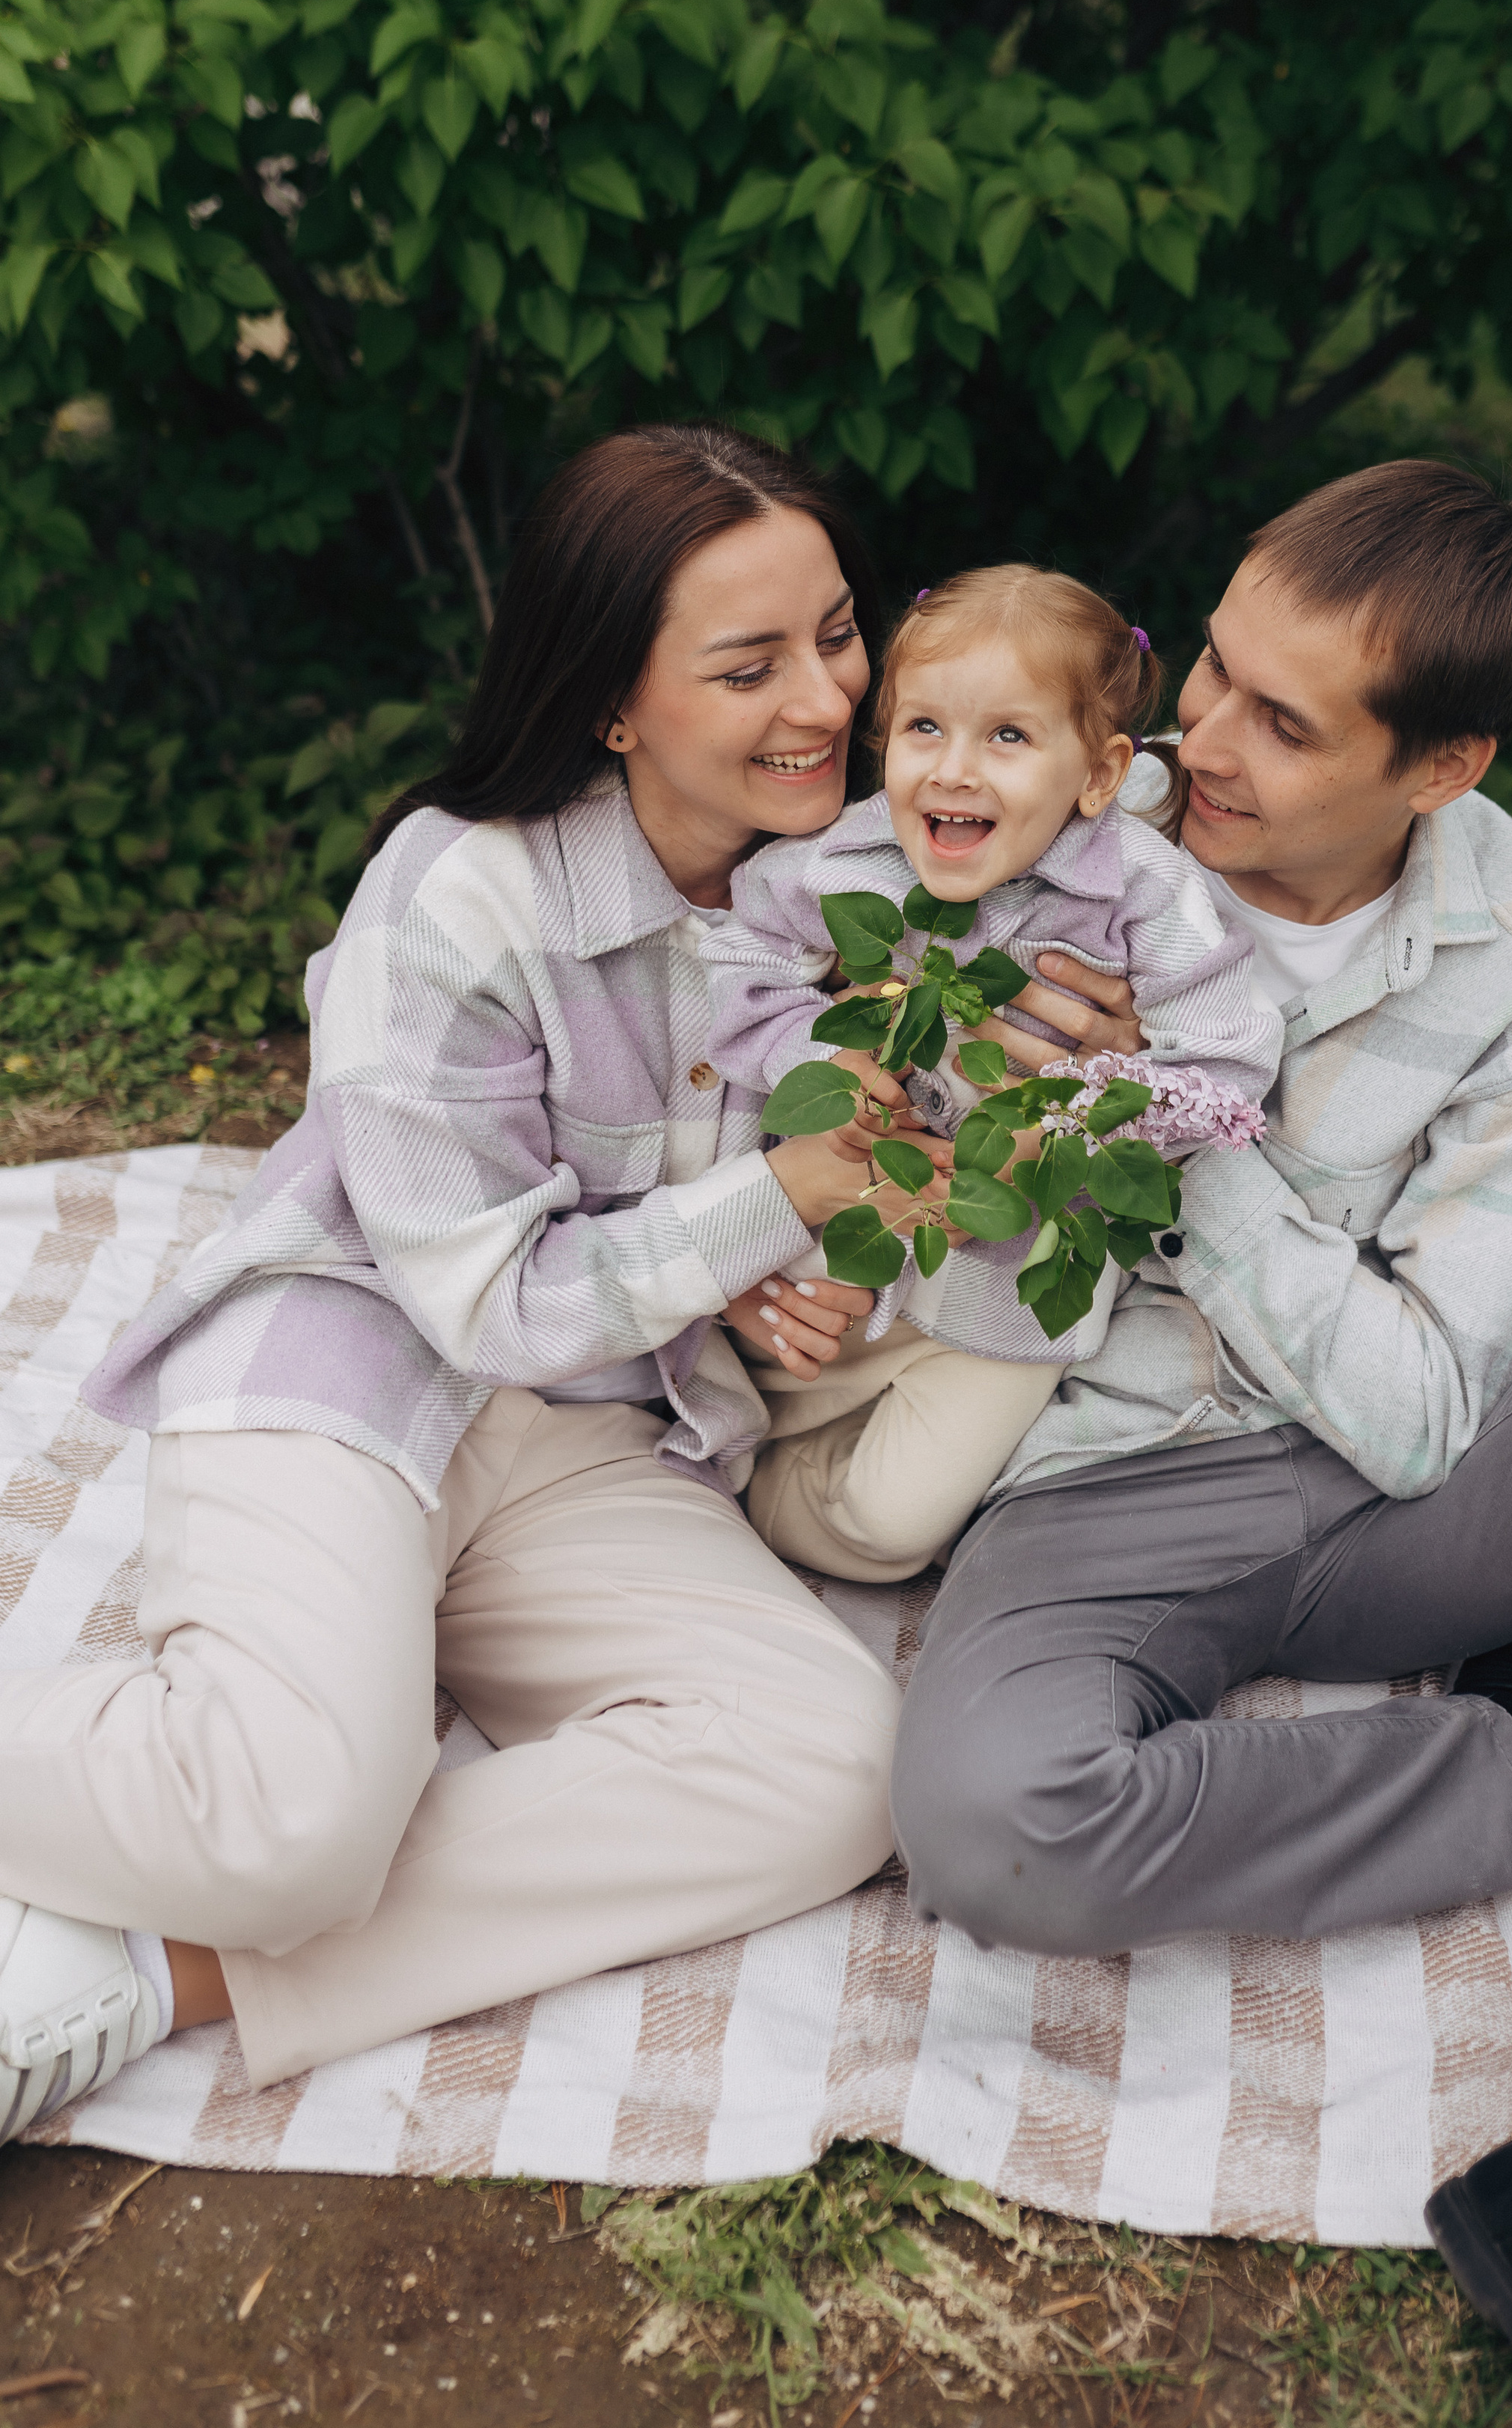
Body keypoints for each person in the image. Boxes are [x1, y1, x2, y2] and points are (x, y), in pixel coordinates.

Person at [888, 460, 1512, 2428]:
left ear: (1440, 767)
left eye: (1287, 724)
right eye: (1209, 677)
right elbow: (919, 1220)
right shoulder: (1032, 830)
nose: (1201, 745)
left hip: (1404, 1489)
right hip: (1085, 1488)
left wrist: (1182, 1135)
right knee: (990, 1827)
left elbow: (1430, 1405)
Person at [0, 424, 1140, 2148]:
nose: (824, 703)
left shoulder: (873, 886)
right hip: (361, 1368)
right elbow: (476, 1298)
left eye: (835, 638)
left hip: (610, 1434)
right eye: (745, 666)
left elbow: (896, 1150)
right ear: (612, 700)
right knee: (297, 1817)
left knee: (831, 1766)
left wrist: (1065, 1065)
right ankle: (218, 1842)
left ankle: (166, 1972)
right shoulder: (456, 897)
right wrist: (770, 1202)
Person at [701, 562, 1281, 1581]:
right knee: (751, 1356)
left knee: (891, 1530)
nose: (954, 770)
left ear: (1098, 775)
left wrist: (1069, 1127)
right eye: (925, 728)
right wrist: (828, 1052)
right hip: (859, 1209)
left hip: (1011, 1284)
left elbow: (1225, 1064)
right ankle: (704, 1471)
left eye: (1007, 737)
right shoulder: (851, 861)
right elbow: (743, 959)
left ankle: (787, 1513)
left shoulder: (1145, 892)